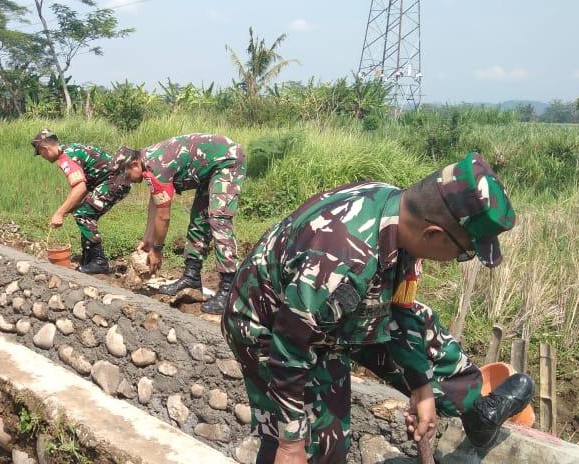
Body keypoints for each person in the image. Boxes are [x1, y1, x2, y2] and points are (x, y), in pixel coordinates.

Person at [221, 152, 534, 464]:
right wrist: (290, 444)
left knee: (424, 334)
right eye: (463, 253)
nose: (458, 260)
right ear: (433, 235)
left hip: (323, 306)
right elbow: (289, 351)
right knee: (315, 445)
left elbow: (400, 308)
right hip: (267, 324)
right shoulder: (344, 262)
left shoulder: (400, 214)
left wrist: (421, 387)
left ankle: (476, 412)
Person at [119, 133, 246, 314]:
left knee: (219, 219)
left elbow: (164, 216)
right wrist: (148, 238)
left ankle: (229, 289)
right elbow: (156, 201)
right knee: (198, 221)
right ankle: (191, 277)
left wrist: (157, 249)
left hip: (227, 161)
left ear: (133, 164)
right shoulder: (147, 164)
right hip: (209, 167)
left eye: (126, 175)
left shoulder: (158, 166)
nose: (127, 180)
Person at [31, 129, 131, 274]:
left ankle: (99, 261)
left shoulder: (66, 158)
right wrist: (69, 209)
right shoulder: (72, 149)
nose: (43, 158)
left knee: (83, 213)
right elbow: (84, 188)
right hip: (117, 180)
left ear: (45, 149)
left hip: (115, 182)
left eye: (41, 154)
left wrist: (59, 213)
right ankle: (88, 258)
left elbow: (80, 187)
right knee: (82, 210)